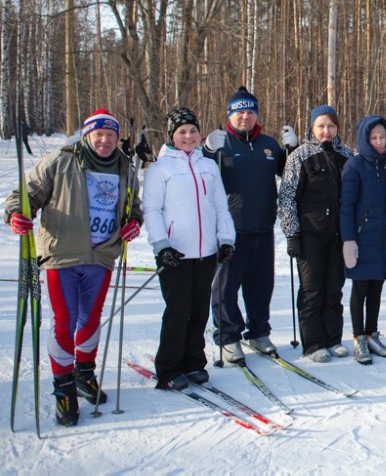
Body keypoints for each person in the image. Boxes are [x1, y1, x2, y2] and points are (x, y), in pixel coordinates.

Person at [5, 109, 142, 426]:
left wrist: (135, 222)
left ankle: (84, 373)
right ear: (87, 135)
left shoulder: (125, 166)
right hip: (63, 255)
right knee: (65, 321)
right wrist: (16, 214)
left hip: (102, 255)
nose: (105, 141)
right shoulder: (61, 160)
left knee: (90, 318)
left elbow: (133, 206)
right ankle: (63, 387)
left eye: (111, 135)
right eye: (99, 135)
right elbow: (25, 194)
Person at [144, 108, 235, 390]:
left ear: (200, 134)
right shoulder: (161, 168)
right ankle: (169, 368)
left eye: (192, 131)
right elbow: (152, 209)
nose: (188, 136)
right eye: (182, 132)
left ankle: (194, 362)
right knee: (178, 310)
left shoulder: (208, 166)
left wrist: (226, 239)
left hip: (206, 252)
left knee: (199, 311)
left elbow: (220, 205)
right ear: (172, 135)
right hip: (176, 254)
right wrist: (161, 246)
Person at [205, 86, 286, 363]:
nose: (245, 117)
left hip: (263, 228)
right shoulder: (220, 143)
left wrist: (292, 149)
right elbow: (202, 177)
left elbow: (290, 172)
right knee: (226, 287)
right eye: (239, 112)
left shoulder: (269, 145)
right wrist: (206, 151)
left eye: (250, 112)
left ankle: (258, 332)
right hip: (230, 230)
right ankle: (228, 336)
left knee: (261, 285)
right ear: (230, 114)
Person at [278, 105, 353, 362]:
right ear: (312, 127)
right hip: (311, 235)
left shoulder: (346, 155)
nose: (326, 131)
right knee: (312, 290)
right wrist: (292, 233)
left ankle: (333, 338)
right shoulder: (300, 156)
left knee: (334, 288)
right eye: (321, 126)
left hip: (339, 235)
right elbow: (287, 196)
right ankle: (313, 343)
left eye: (331, 126)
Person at [340, 115, 386, 365]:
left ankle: (372, 333)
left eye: (382, 137)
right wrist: (349, 240)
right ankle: (358, 337)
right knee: (360, 288)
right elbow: (346, 206)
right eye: (373, 137)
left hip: (384, 239)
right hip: (362, 238)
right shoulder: (355, 166)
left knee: (377, 287)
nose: (378, 141)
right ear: (365, 139)